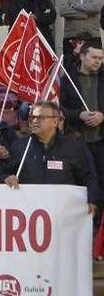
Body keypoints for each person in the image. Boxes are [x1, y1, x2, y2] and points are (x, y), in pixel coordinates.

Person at [2, 101, 100, 212]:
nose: (34, 121)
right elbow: (5, 172)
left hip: (63, 213)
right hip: (29, 212)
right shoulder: (19, 146)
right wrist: (7, 178)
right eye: (32, 117)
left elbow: (88, 176)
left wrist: (92, 199)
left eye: (40, 117)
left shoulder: (73, 147)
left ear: (55, 121)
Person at [61, 41, 104, 189]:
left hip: (100, 142)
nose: (98, 61)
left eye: (100, 58)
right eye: (94, 57)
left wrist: (102, 116)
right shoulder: (67, 79)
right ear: (82, 56)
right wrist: (79, 115)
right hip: (76, 140)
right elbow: (59, 109)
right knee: (78, 182)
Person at [58, 0, 104, 69]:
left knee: (94, 72)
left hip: (92, 37)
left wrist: (74, 6)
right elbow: (63, 10)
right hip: (71, 38)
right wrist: (85, 14)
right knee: (70, 71)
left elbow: (96, 7)